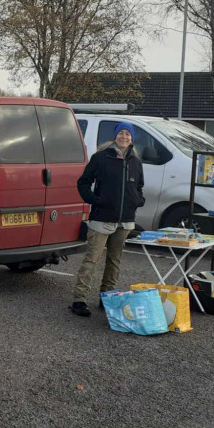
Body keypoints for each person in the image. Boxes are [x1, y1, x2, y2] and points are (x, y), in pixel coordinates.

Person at [70, 122, 145, 317]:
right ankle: (79, 299)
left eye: (128, 134)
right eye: (121, 133)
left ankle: (108, 297)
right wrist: (94, 200)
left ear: (132, 138)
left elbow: (139, 187)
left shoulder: (136, 162)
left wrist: (137, 200)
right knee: (91, 260)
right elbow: (83, 183)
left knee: (114, 261)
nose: (124, 137)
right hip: (101, 218)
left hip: (125, 221)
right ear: (115, 136)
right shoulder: (100, 158)